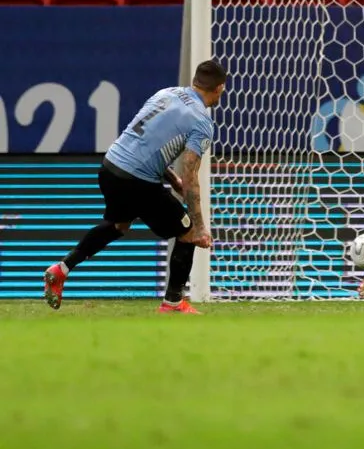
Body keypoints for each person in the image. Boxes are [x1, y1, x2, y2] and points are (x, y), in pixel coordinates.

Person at [43, 60, 228, 314]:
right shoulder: (202, 121)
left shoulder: (166, 94)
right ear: (219, 88)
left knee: (120, 225)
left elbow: (144, 141)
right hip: (136, 180)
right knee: (186, 231)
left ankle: (61, 269)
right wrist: (200, 226)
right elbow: (191, 173)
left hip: (110, 167)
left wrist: (173, 180)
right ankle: (173, 303)